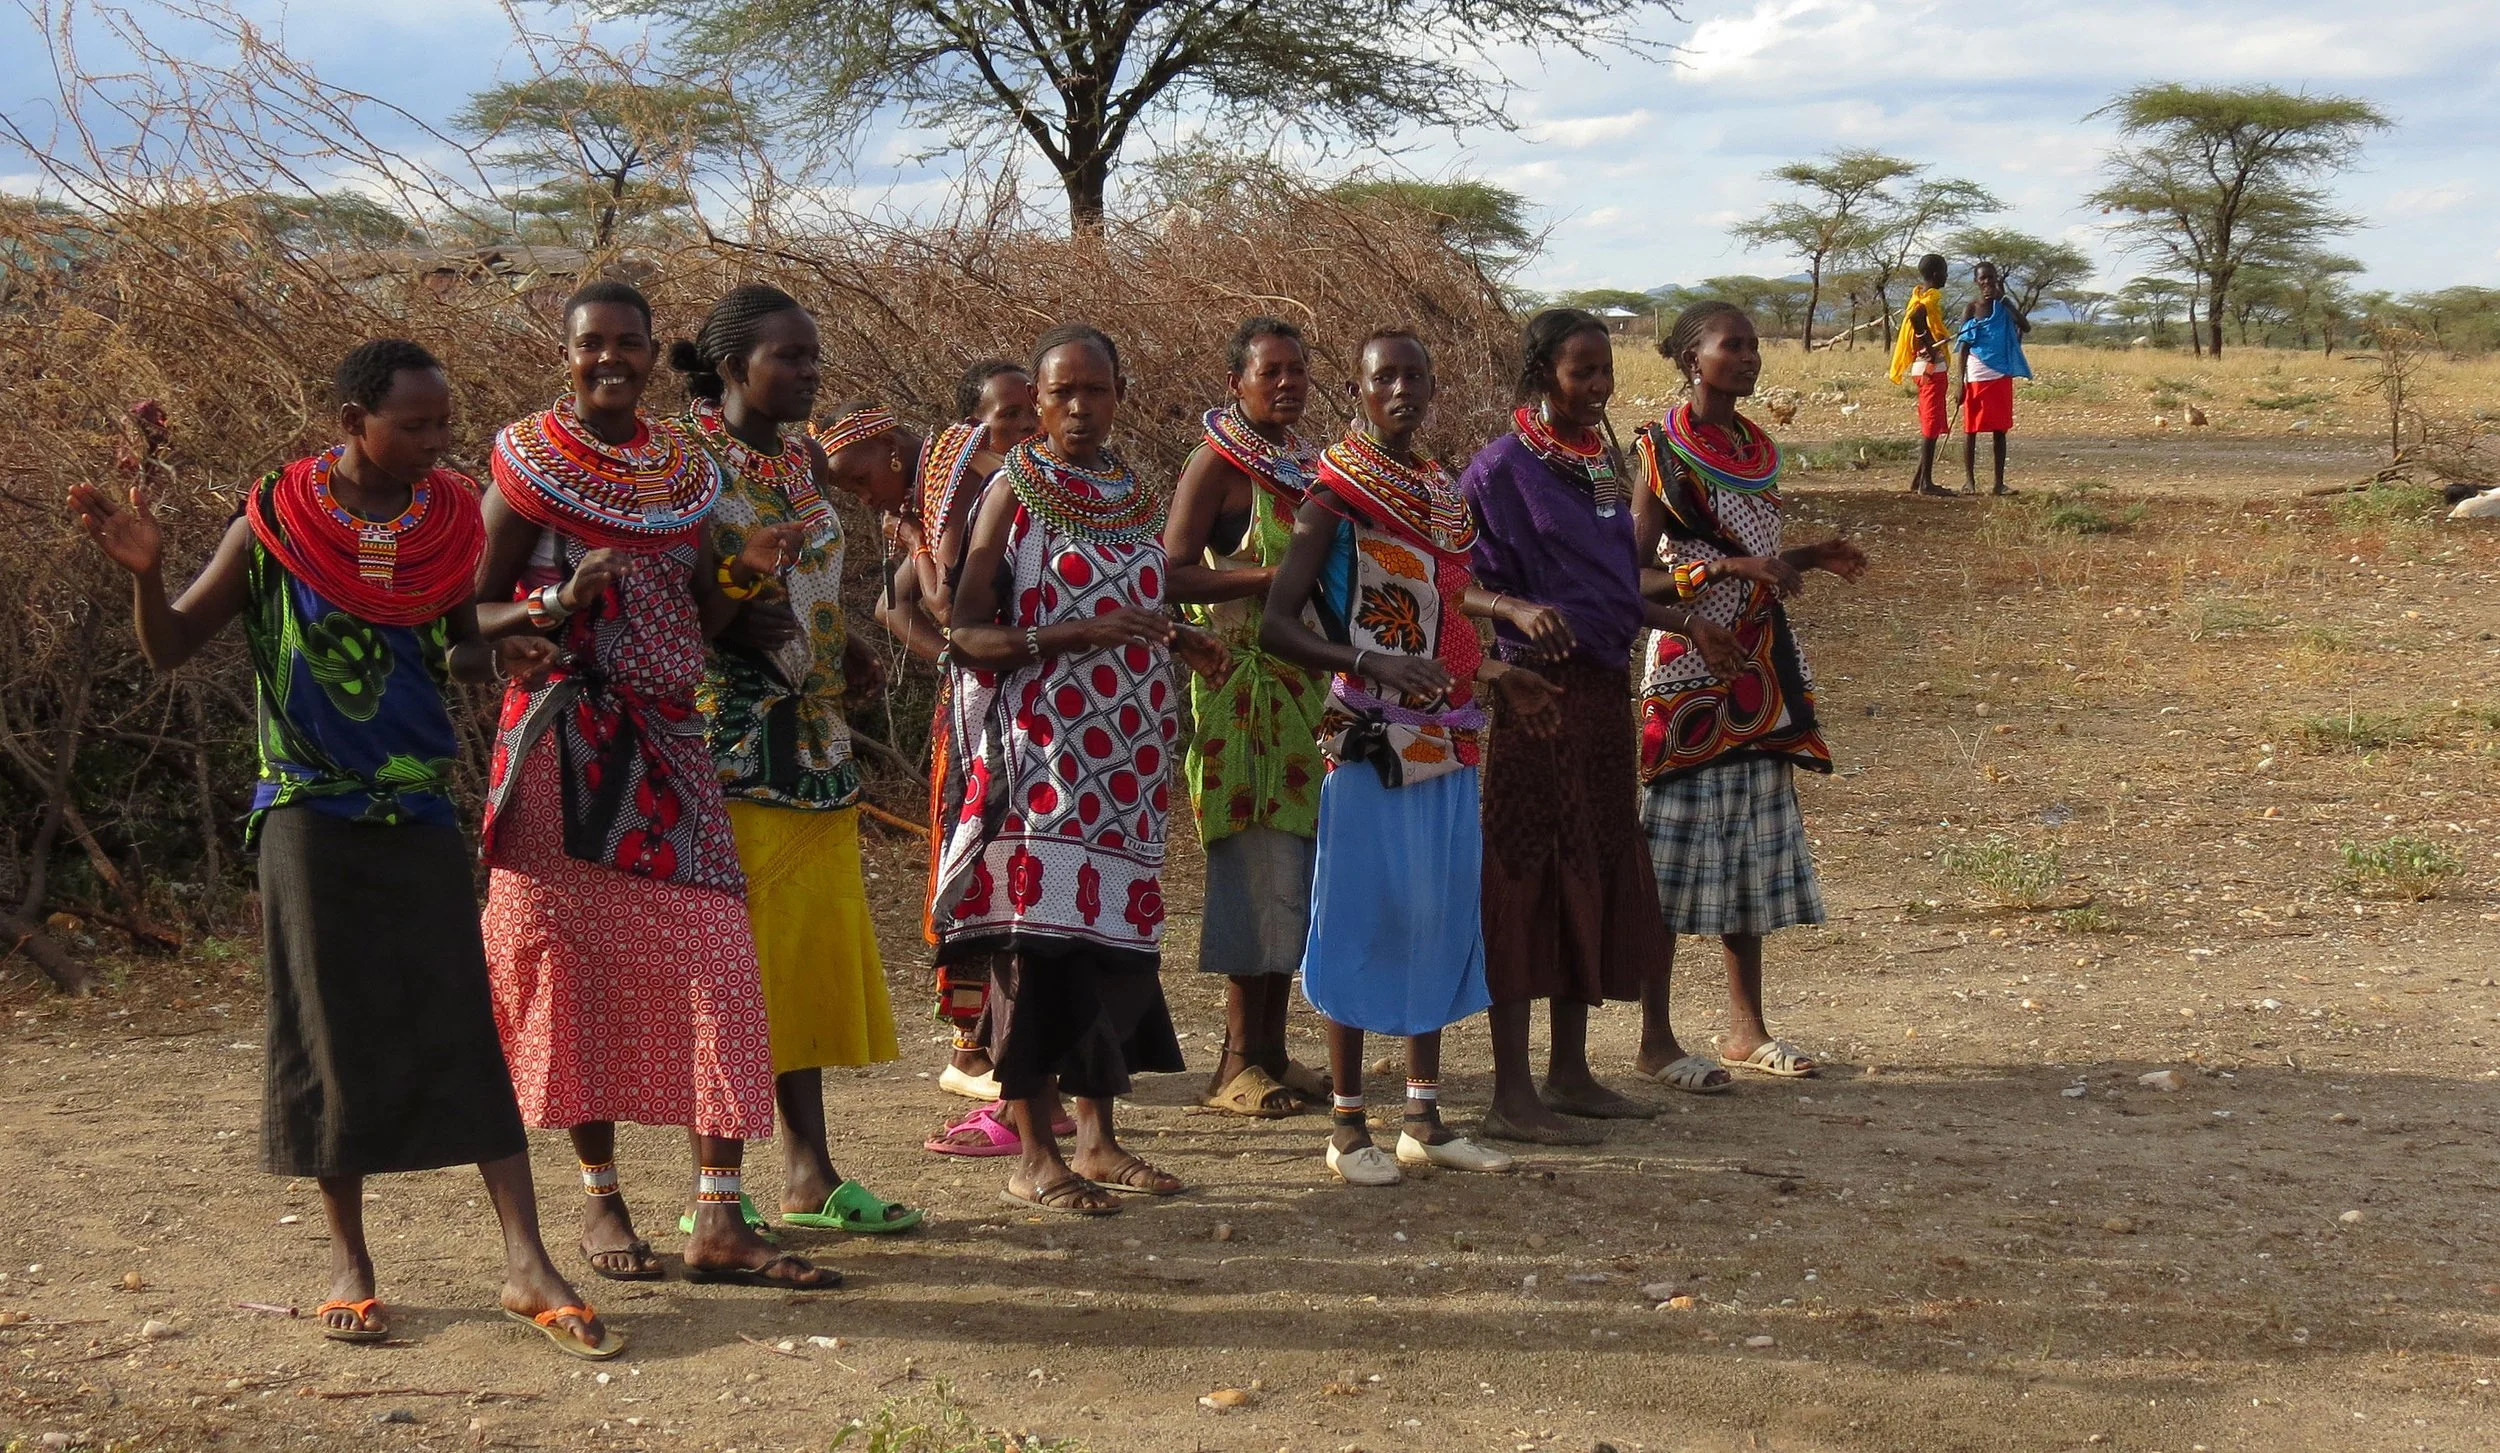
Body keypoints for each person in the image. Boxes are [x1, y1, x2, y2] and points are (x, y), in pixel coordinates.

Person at [65, 342, 620, 1358]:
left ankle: (527, 1263)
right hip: (308, 811)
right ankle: (351, 1265)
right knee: (326, 1030)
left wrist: (505, 645)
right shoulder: (275, 524)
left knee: (462, 1022)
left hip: (415, 807)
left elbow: (452, 642)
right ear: (352, 420)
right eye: (416, 424)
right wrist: (147, 577)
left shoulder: (447, 520)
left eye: (443, 421)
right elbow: (172, 644)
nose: (438, 440)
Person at [474, 279, 837, 1289]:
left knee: (718, 963)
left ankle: (718, 1217)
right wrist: (553, 600)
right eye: (592, 343)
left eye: (628, 343)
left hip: (672, 740)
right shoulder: (527, 466)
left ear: (650, 352)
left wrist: (740, 573)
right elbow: (461, 616)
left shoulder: (683, 473)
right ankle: (601, 1197)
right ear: (566, 353)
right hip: (560, 742)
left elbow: (698, 623)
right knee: (572, 971)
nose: (611, 359)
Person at [934, 322, 1232, 1214]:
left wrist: (1178, 639)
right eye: (1061, 392)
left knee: (1108, 958)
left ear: (1119, 396)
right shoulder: (1011, 493)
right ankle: (1035, 1154)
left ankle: (1098, 1142)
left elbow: (1134, 600)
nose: (1078, 407)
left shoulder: (1133, 496)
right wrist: (1075, 636)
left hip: (1125, 773)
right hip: (1040, 771)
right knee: (1036, 954)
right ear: (1037, 399)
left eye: (1094, 390)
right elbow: (966, 631)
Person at [1258, 328, 1555, 1182]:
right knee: (1359, 915)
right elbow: (1279, 623)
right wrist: (1367, 660)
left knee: (1436, 915)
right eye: (1383, 376)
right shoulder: (1333, 496)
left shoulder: (1436, 489)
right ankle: (1348, 1125)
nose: (1401, 390)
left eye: (1414, 376)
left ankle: (1423, 1114)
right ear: (1357, 388)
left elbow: (1441, 600)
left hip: (1449, 736)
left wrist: (1497, 655)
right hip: (1368, 737)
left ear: (1432, 386)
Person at [671, 283, 923, 1236]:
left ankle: (810, 1173)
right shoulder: (685, 464)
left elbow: (807, 573)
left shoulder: (799, 459)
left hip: (815, 744)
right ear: (732, 366)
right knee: (732, 970)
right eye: (791, 356)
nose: (810, 372)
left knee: (801, 961)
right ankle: (719, 1195)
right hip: (730, 745)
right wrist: (738, 602)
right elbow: (676, 604)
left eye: (813, 355)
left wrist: (843, 643)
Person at [1461, 308, 1726, 1141]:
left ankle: (1570, 1072)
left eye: (1606, 370)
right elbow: (1450, 579)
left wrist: (1685, 622)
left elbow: (1613, 588)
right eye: (1583, 372)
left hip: (1604, 694)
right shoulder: (1499, 470)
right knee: (1526, 876)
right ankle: (1511, 1093)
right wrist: (1512, 612)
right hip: (1536, 697)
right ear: (1544, 373)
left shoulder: (1601, 465)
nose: (1600, 386)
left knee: (1590, 868)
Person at [1630, 300, 1867, 1083]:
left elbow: (1755, 558)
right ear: (1690, 360)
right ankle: (1655, 1040)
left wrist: (1811, 555)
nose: (1748, 357)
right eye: (1731, 345)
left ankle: (1746, 1029)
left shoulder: (1754, 449)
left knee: (1749, 851)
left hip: (1756, 671)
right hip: (1688, 673)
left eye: (1753, 345)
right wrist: (1727, 570)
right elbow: (1630, 579)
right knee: (1670, 858)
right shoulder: (1662, 452)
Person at [1163, 316, 1334, 1119]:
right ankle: (1234, 1060)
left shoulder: (1302, 463)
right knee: (1252, 867)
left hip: (1300, 696)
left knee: (1290, 873)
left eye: (1298, 370)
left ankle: (1271, 1049)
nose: (1288, 384)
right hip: (1240, 694)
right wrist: (1263, 577)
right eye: (1271, 372)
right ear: (1236, 383)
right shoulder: (1216, 464)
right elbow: (1166, 573)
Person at [906, 360, 1040, 1107]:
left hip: (1031, 700)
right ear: (973, 425)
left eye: (1031, 411)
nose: (1024, 426)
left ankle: (1002, 1038)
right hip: (980, 707)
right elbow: (922, 600)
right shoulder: (966, 489)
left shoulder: (1046, 484)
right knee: (975, 857)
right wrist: (958, 659)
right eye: (1006, 415)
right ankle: (970, 1046)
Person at [1957, 260, 2032, 496]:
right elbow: (1963, 347)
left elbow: (2025, 326)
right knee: (1971, 429)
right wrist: (1959, 383)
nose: (1987, 282)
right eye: (1983, 278)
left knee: (2000, 430)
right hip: (1976, 374)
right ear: (1976, 282)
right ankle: (1969, 482)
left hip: (2000, 374)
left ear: (1997, 279)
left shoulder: (2004, 307)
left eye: (1991, 277)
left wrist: (2005, 300)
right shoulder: (1972, 308)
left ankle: (1999, 483)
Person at [1890, 253, 1955, 497]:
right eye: (1945, 271)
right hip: (1929, 369)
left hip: (1926, 369)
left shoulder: (1920, 296)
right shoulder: (1928, 298)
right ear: (1937, 274)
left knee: (1932, 421)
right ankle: (1926, 484)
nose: (1947, 276)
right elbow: (1916, 317)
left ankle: (1919, 479)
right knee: (1930, 423)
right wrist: (1929, 346)